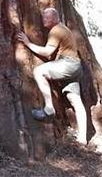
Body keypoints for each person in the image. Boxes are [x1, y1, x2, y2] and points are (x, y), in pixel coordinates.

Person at [16, 8, 87, 144]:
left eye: (46, 18)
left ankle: (49, 108)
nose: (43, 20)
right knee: (75, 100)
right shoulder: (63, 28)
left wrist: (27, 43)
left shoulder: (56, 30)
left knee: (39, 71)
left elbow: (48, 52)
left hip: (68, 64)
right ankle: (83, 138)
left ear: (54, 18)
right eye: (43, 17)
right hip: (75, 67)